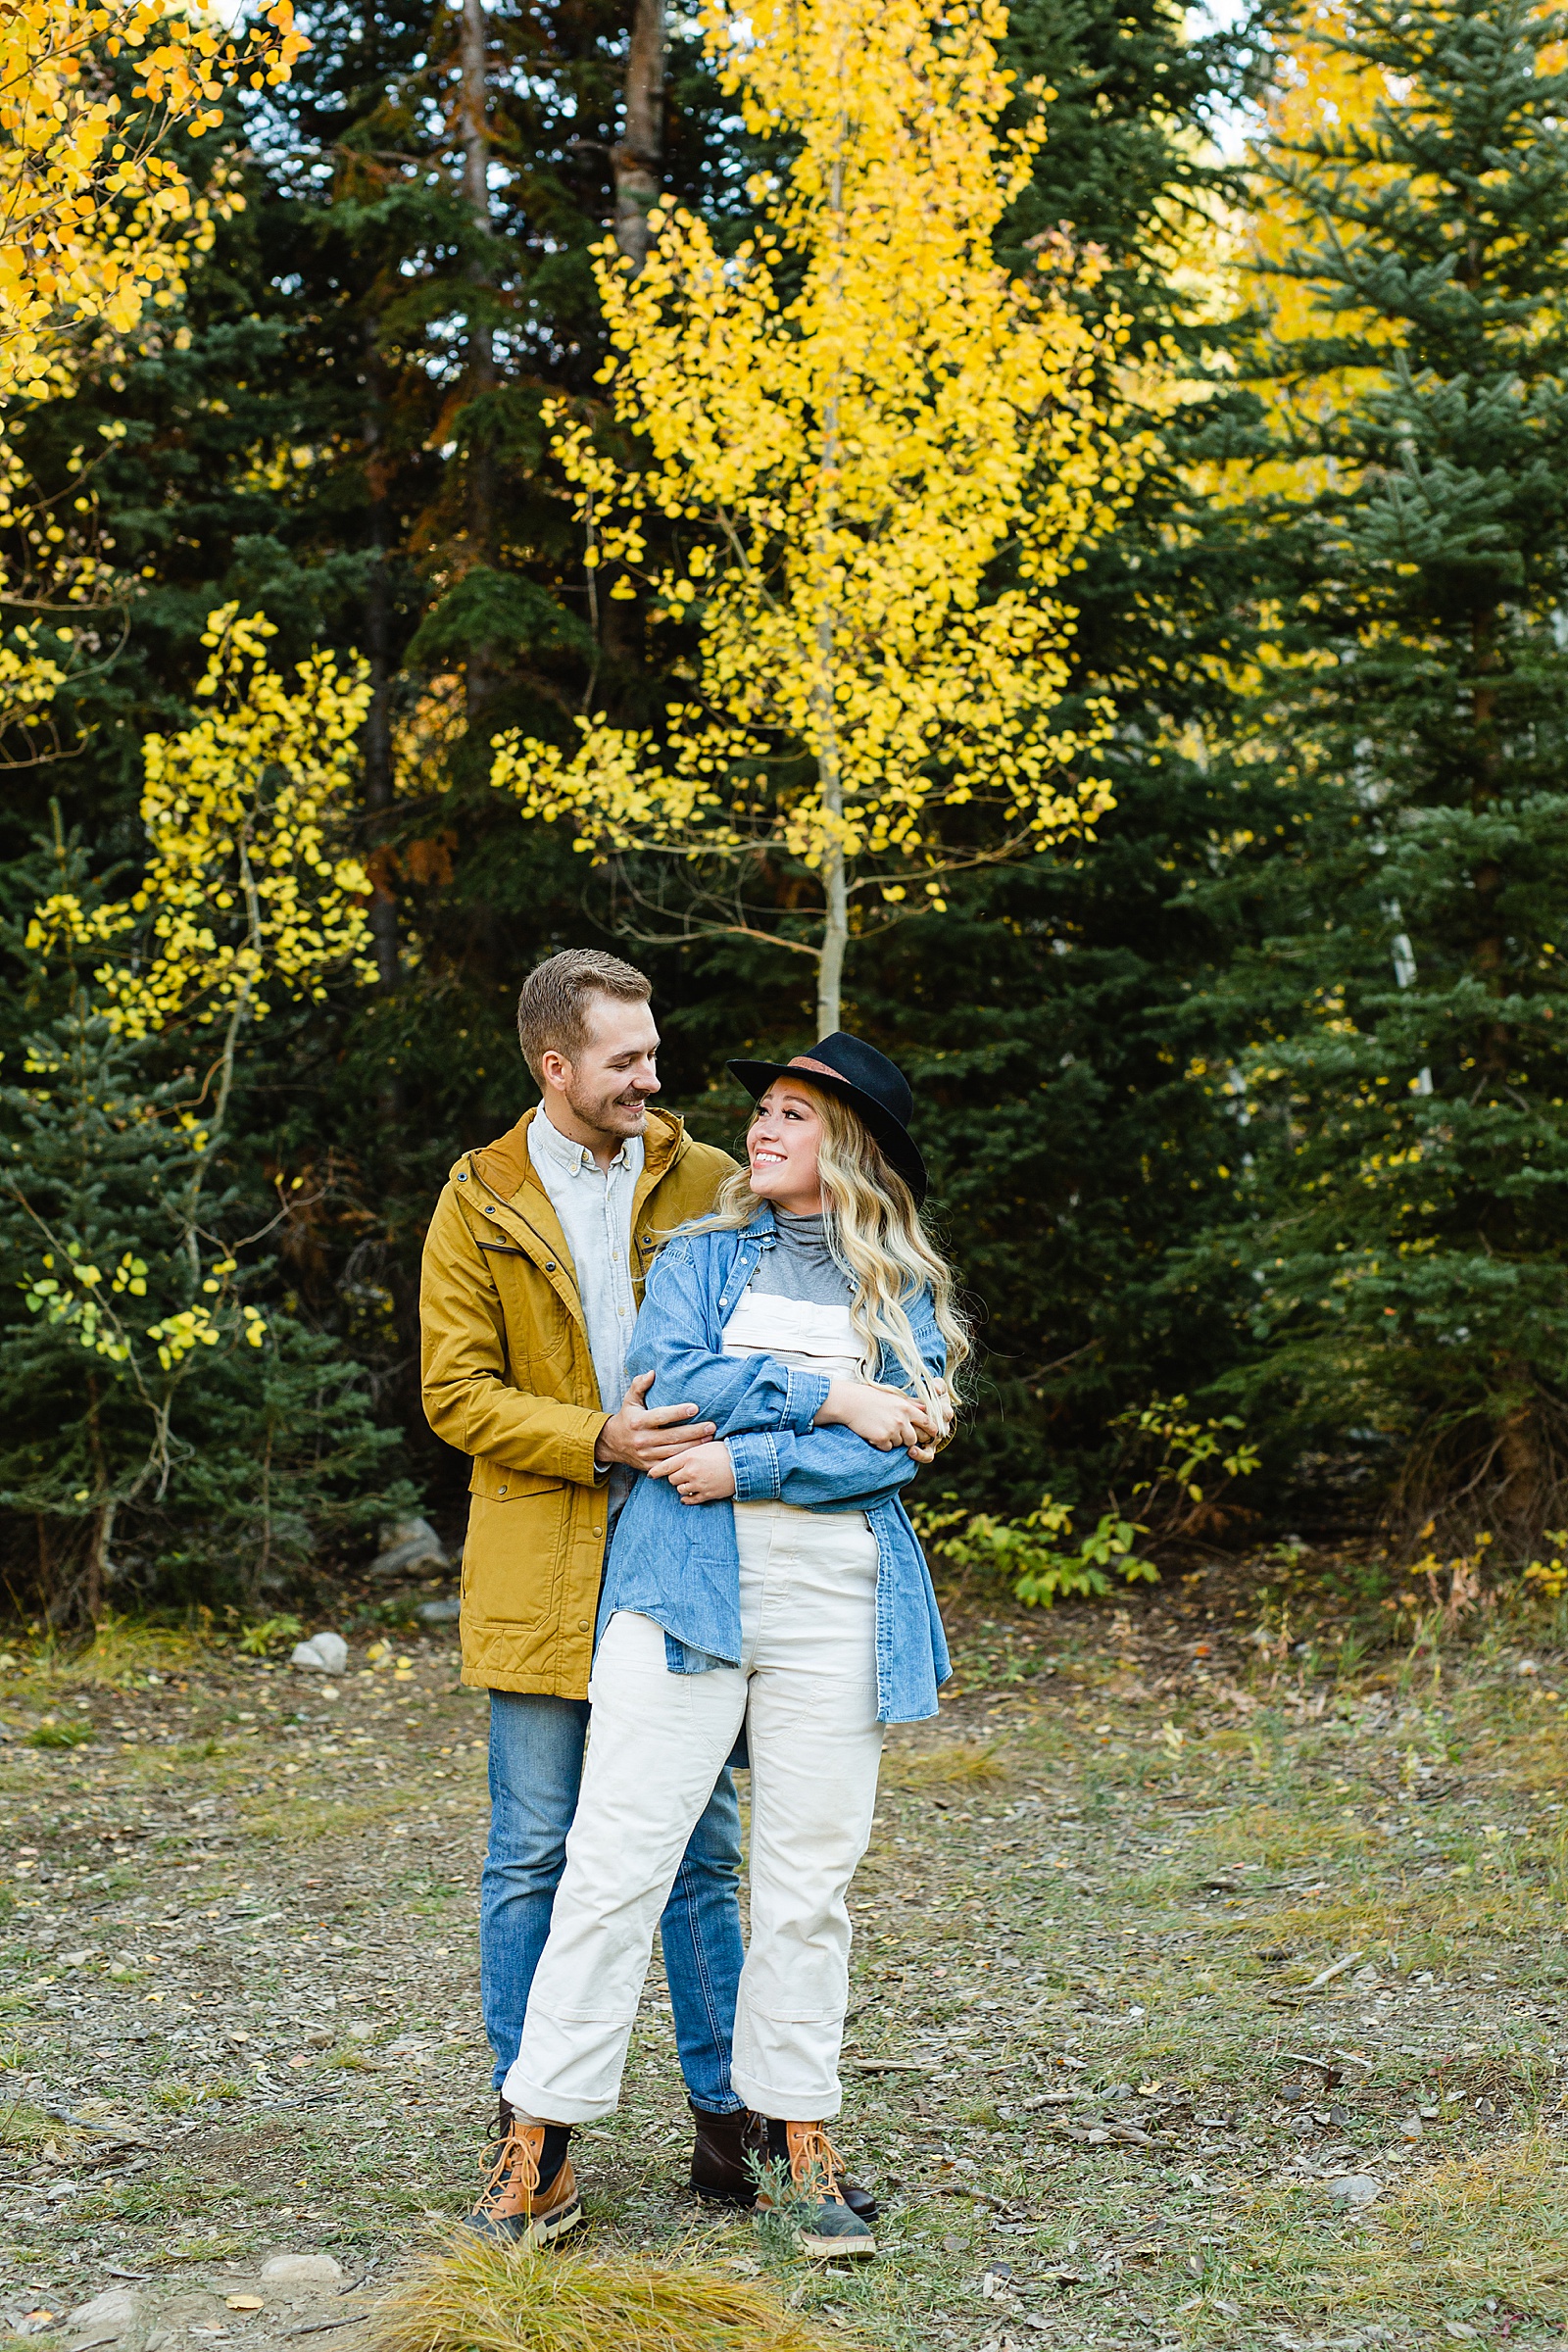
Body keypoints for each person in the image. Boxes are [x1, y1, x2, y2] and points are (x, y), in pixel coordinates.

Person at [418, 954, 884, 2238]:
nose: (653, 1077)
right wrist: (600, 1438)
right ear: (554, 1067)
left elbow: (792, 1342)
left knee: (709, 1851)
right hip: (549, 1542)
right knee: (538, 1845)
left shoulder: (709, 1183)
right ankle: (532, 2127)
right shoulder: (481, 1196)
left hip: (702, 1544)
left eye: (654, 1051)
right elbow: (453, 1391)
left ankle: (732, 2125)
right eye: (626, 1059)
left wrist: (773, 1432)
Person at [486, 1031, 967, 2259]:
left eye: (794, 1116)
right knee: (612, 1864)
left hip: (838, 1600)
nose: (760, 1130)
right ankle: (538, 2150)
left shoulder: (898, 1285)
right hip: (686, 1592)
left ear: (851, 1145)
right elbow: (667, 1380)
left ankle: (799, 2142)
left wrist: (749, 1456)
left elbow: (892, 1454)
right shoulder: (700, 1253)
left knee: (809, 1887)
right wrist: (832, 1396)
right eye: (760, 1110)